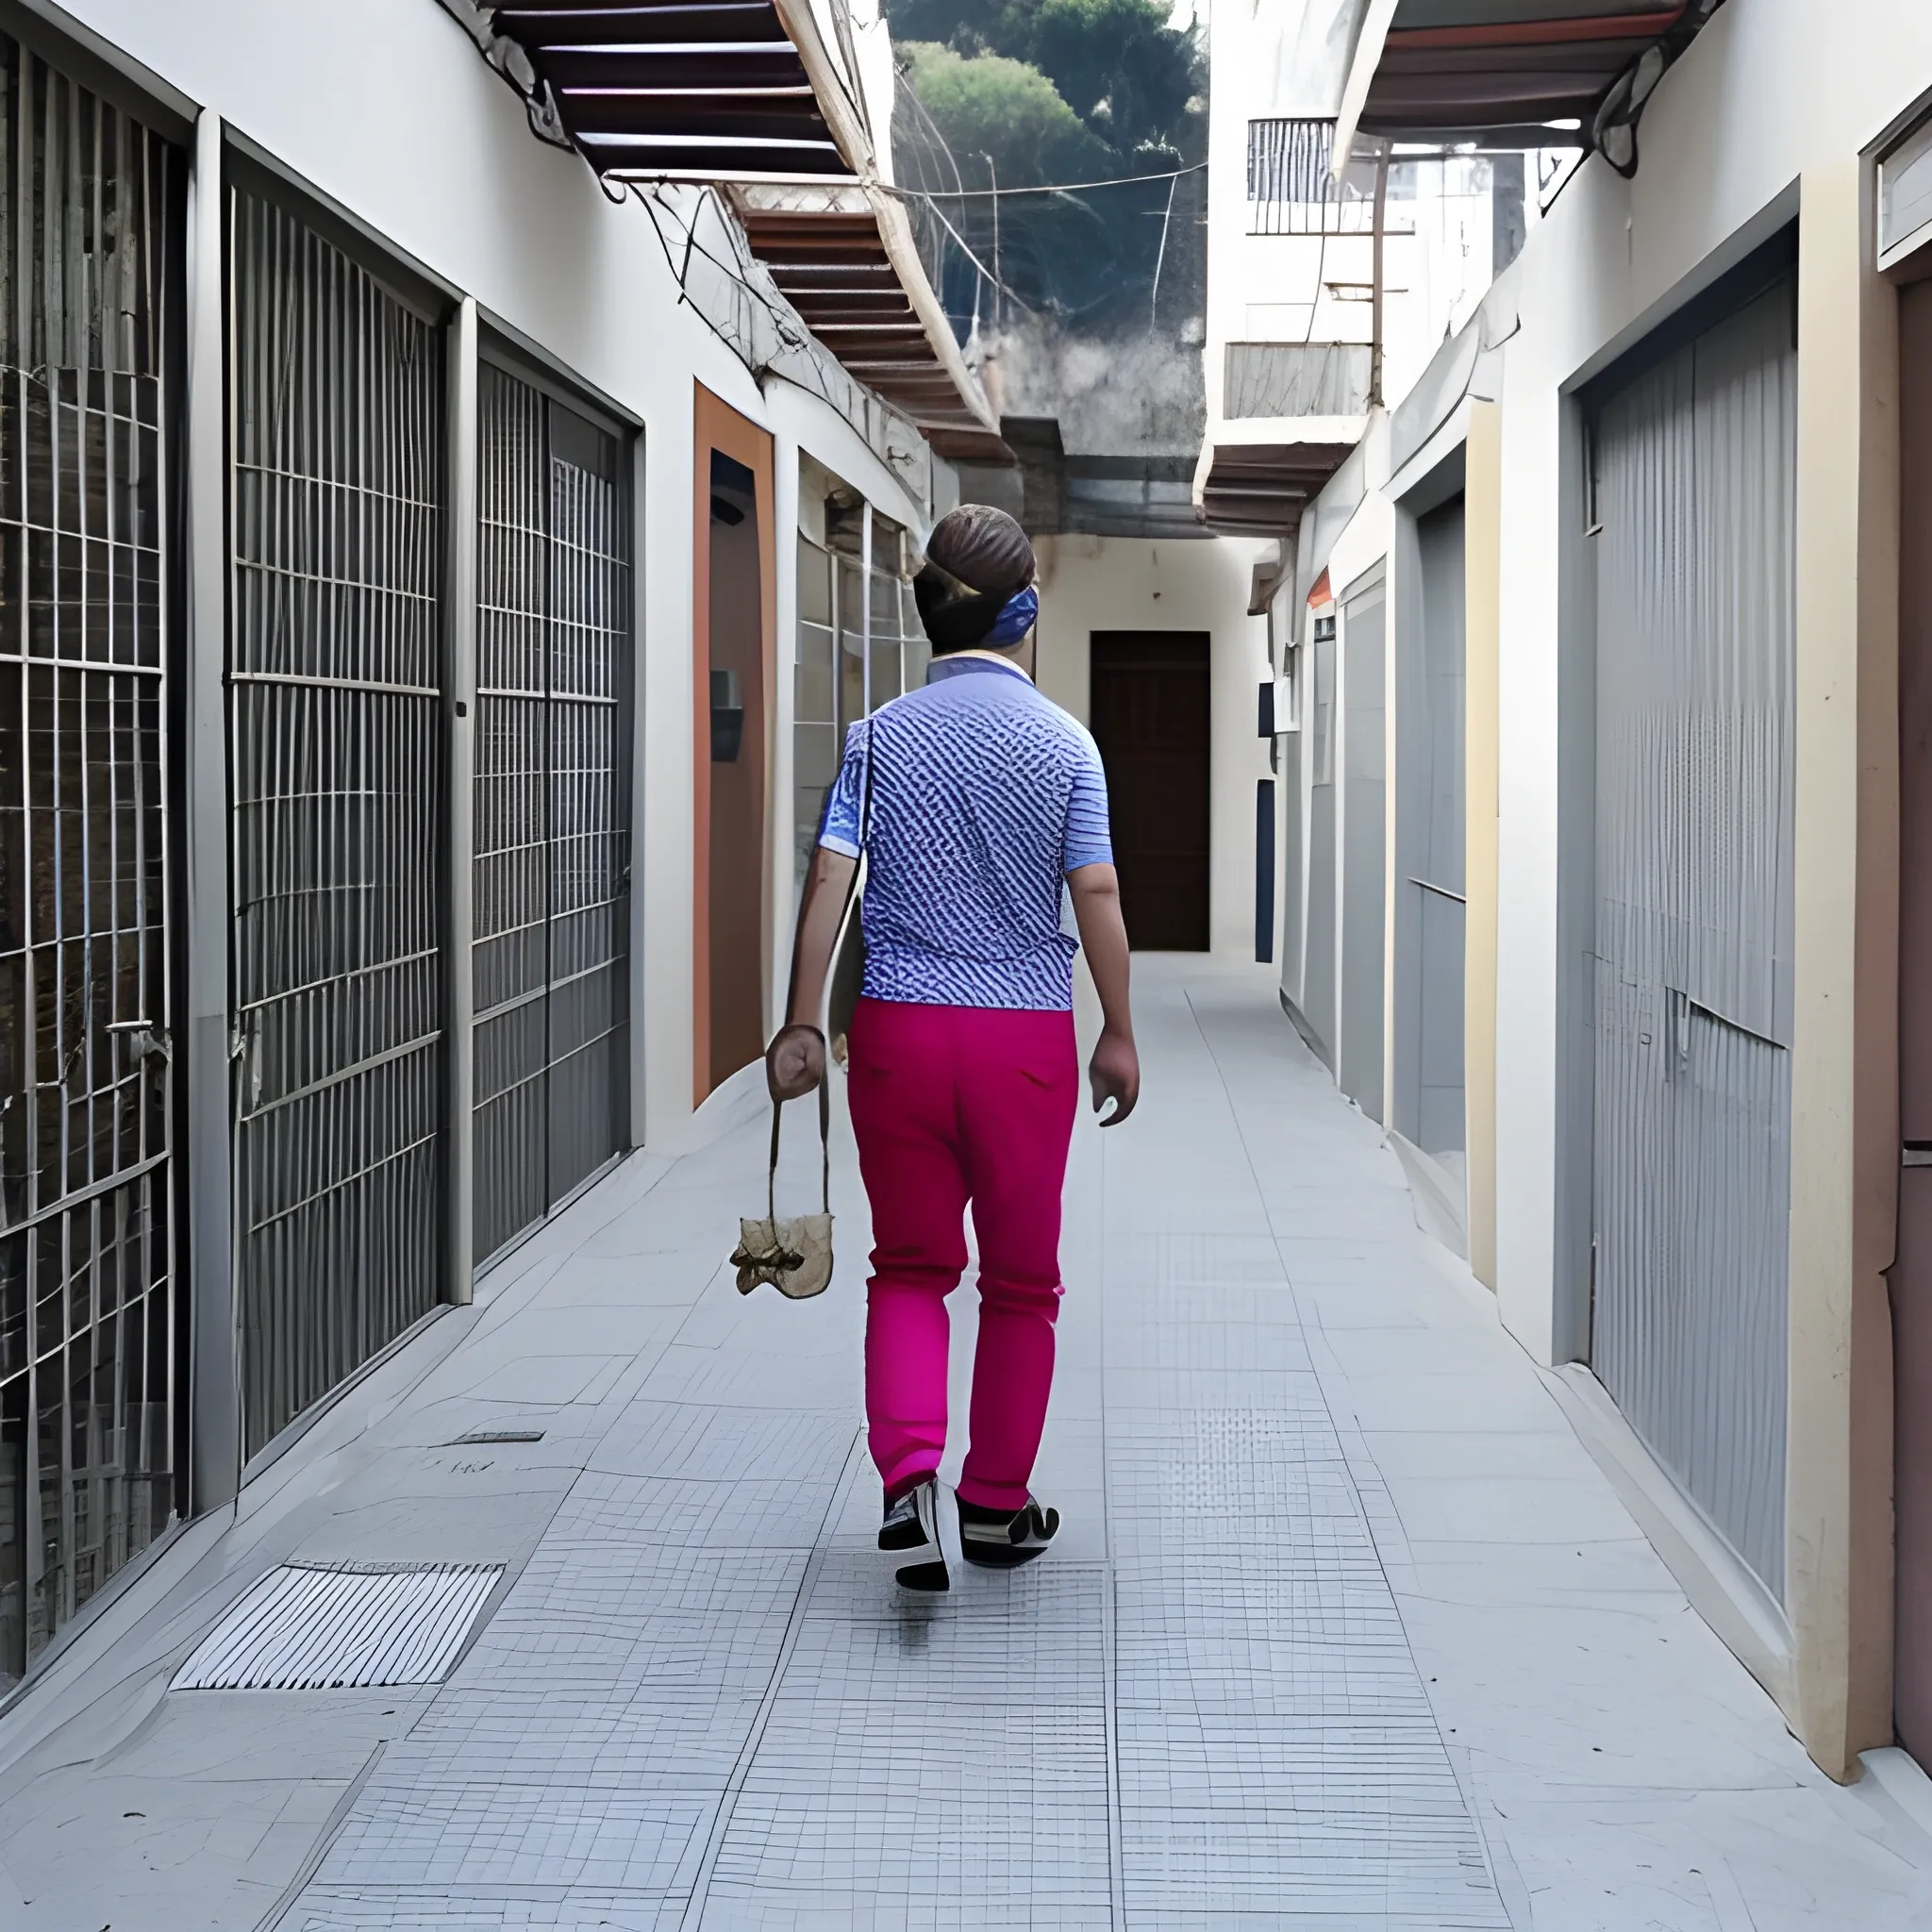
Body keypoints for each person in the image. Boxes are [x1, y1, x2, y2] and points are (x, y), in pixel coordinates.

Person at [766, 503, 1140, 1591]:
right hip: (1021, 1043)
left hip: (899, 1034)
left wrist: (801, 1021)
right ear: (1024, 612)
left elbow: (831, 879)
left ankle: (908, 1477)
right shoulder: (1064, 743)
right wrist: (1114, 1027)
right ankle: (993, 1503)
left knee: (910, 1267)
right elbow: (1098, 890)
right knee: (1020, 1282)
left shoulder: (877, 738)